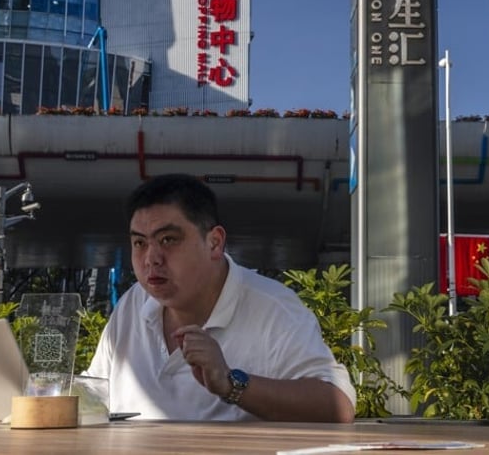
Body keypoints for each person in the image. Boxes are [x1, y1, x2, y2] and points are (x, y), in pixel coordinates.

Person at [86, 173, 356, 422]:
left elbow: (338, 405)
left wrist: (232, 384)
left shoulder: (272, 309)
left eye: (168, 239)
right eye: (139, 243)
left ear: (214, 242)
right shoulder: (134, 303)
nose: (151, 259)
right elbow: (94, 394)